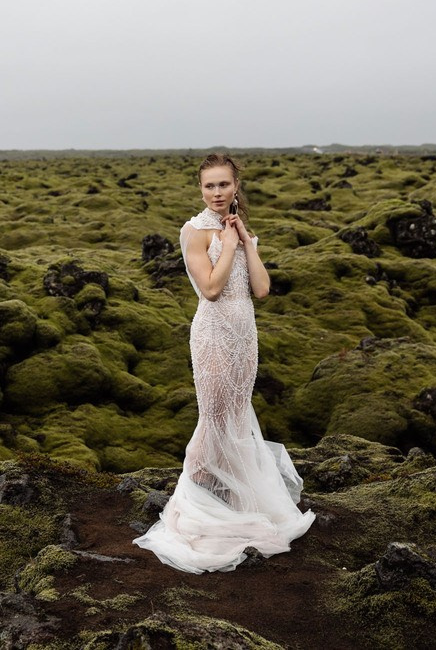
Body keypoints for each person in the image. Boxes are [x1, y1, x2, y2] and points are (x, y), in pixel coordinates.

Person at [133, 153, 315, 573]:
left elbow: (262, 289)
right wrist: (229, 245)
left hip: (245, 335)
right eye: (209, 186)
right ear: (201, 190)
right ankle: (190, 511)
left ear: (236, 187)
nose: (216, 193)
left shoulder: (237, 227)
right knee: (212, 418)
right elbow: (211, 289)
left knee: (235, 418)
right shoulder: (194, 231)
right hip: (213, 336)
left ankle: (232, 502)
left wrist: (246, 242)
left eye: (223, 185)